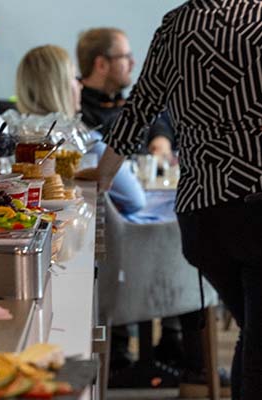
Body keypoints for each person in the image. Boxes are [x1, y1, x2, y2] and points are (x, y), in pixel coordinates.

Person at [78, 1, 262, 399]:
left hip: (203, 217)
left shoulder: (177, 23)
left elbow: (140, 108)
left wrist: (101, 179)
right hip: (256, 203)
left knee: (255, 330)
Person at [15, 45, 145, 214]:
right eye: (75, 78)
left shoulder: (13, 137)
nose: (81, 85)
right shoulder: (82, 142)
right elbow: (135, 199)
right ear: (58, 87)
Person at [76, 27, 175, 159]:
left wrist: (161, 138)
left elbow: (154, 121)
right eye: (125, 57)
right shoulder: (78, 113)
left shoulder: (120, 100)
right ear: (101, 65)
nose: (133, 63)